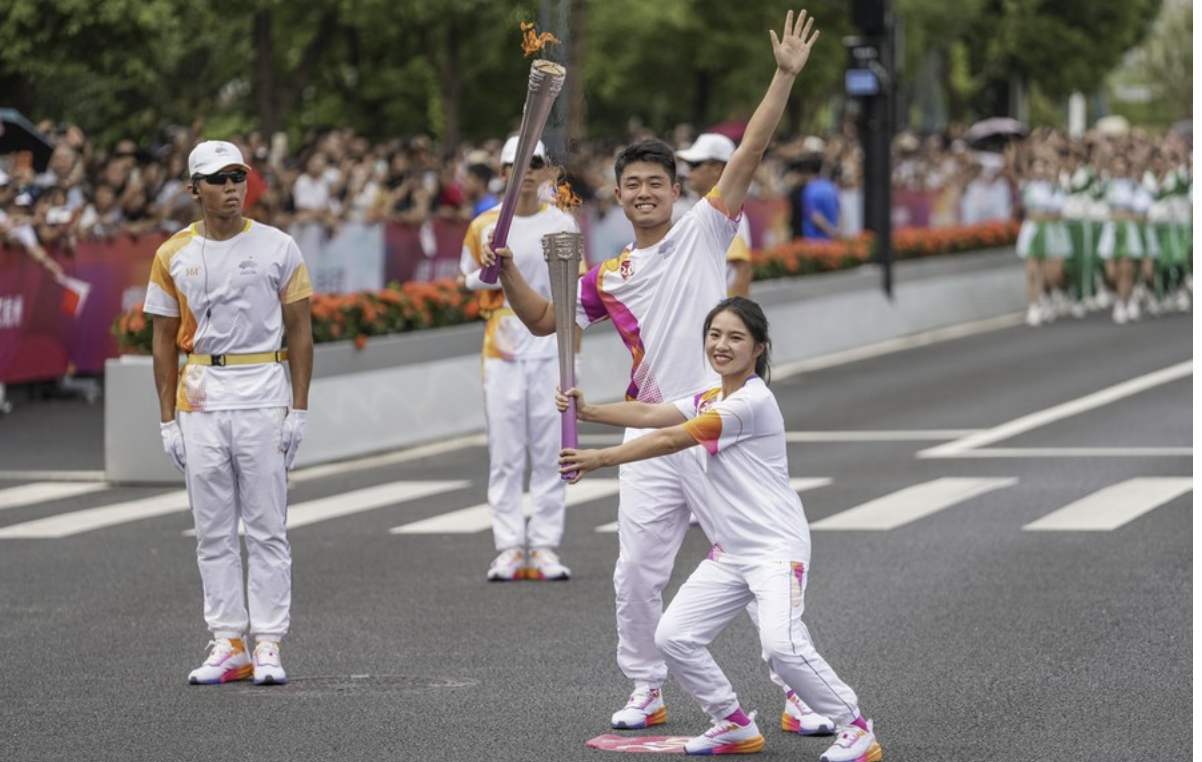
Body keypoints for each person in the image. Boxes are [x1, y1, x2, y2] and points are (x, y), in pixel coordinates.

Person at [482, 9, 834, 736]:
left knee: (758, 558)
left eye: (655, 182)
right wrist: (508, 269)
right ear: (619, 195)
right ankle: (646, 686)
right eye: (632, 184)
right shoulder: (611, 274)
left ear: (676, 191)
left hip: (715, 431)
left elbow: (752, 149)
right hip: (654, 431)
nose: (643, 192)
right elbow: (546, 322)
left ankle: (797, 686)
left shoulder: (707, 231)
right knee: (634, 575)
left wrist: (783, 77)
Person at [557, 297, 880, 761]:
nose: (721, 345)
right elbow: (652, 415)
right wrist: (588, 412)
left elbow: (672, 437)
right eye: (714, 335)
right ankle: (731, 722)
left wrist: (599, 458)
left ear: (758, 349)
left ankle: (857, 728)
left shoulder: (751, 402)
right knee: (673, 637)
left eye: (735, 337)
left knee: (781, 646)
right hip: (730, 552)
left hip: (774, 548)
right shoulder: (710, 396)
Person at [144, 140, 314, 686]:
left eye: (238, 176)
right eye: (218, 179)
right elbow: (163, 341)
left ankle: (268, 642)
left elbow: (301, 331)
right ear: (195, 189)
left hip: (262, 389)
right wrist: (167, 418)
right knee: (212, 529)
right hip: (200, 396)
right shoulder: (173, 253)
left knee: (266, 526)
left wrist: (300, 408)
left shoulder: (278, 246)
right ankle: (228, 642)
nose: (231, 188)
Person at [458, 137, 578, 582]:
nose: (525, 171)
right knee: (506, 452)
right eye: (515, 164)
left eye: (535, 163)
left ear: (546, 171)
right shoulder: (485, 226)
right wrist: (487, 271)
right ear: (504, 172)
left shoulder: (562, 224)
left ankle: (544, 546)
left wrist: (573, 360)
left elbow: (573, 295)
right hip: (503, 347)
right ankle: (509, 547)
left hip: (549, 342)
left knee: (551, 450)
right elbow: (466, 279)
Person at [676, 134, 754, 297]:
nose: (687, 171)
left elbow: (742, 271)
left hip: (721, 311)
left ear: (717, 168)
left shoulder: (728, 214)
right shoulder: (698, 208)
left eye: (694, 165)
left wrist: (736, 317)